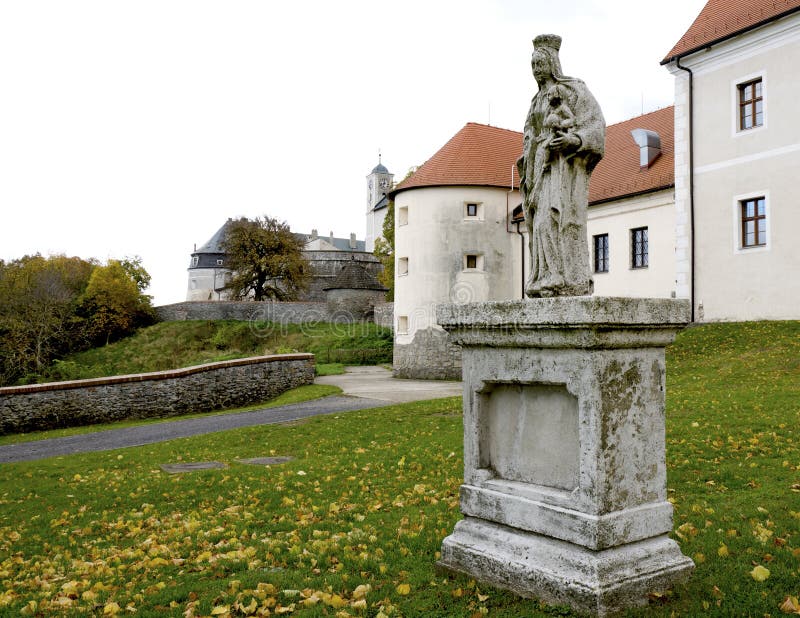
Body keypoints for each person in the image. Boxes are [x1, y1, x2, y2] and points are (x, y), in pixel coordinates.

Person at [516, 34, 605, 297]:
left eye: (540, 63)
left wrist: (572, 140)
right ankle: (542, 275)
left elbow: (596, 128)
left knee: (552, 220)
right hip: (538, 166)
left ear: (552, 63)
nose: (535, 69)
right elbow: (529, 135)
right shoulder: (535, 101)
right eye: (532, 65)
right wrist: (530, 153)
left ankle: (561, 276)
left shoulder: (573, 90)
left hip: (561, 168)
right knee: (537, 223)